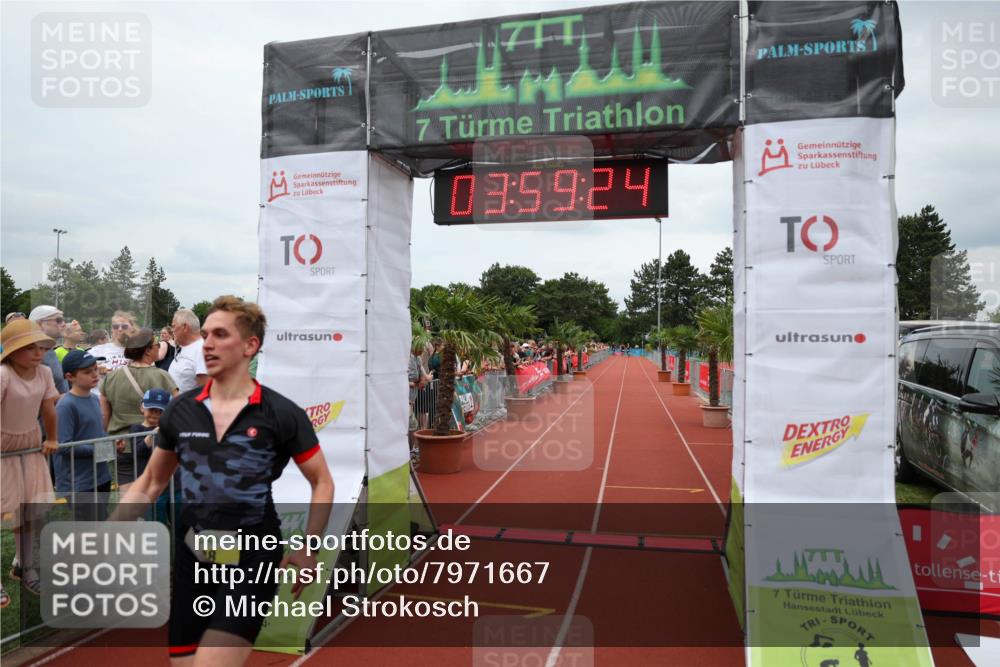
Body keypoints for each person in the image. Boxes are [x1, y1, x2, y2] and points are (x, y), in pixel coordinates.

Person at [117, 295, 334, 664]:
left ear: (251, 346)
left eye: (220, 334)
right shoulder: (181, 411)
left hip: (253, 556)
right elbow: (152, 481)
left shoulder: (281, 413)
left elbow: (322, 481)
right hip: (193, 556)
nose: (209, 344)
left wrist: (309, 547)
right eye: (205, 335)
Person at [0, 320, 58, 606]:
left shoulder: (45, 372)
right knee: (2, 512)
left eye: (41, 347)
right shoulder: (3, 375)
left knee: (29, 512)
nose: (38, 353)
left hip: (30, 448)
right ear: (12, 351)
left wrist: (53, 438)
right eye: (30, 347)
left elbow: (48, 407)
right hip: (2, 452)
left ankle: (25, 566)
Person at [100, 329, 178, 485]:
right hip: (154, 444)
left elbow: (104, 415)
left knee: (128, 499)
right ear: (148, 350)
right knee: (156, 495)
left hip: (121, 444)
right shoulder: (162, 376)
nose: (159, 347)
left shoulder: (111, 377)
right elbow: (178, 411)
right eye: (156, 345)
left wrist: (107, 439)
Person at [55, 350, 113, 520]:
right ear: (69, 377)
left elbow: (97, 434)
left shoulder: (94, 399)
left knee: (101, 523)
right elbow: (63, 446)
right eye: (87, 372)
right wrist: (98, 448)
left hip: (101, 477)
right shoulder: (66, 406)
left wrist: (109, 443)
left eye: (95, 369)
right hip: (79, 483)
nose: (95, 375)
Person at [28, 305, 69, 394]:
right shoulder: (33, 356)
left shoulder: (49, 351)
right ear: (39, 324)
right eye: (58, 320)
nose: (64, 324)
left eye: (63, 320)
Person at [169, 309, 208, 392]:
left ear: (184, 327)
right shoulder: (183, 346)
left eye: (173, 326)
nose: (172, 330)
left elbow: (205, 392)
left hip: (187, 404)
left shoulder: (202, 350)